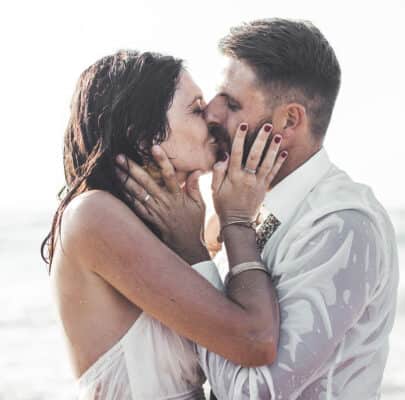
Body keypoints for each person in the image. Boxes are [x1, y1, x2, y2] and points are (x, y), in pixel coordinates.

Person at [122, 19, 399, 399]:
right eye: (217, 98)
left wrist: (193, 252)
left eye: (233, 104)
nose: (213, 115)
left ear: (289, 120)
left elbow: (254, 393)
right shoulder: (244, 209)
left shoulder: (340, 224)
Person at [42, 50, 287, 399]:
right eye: (197, 109)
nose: (213, 119)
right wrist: (233, 223)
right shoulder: (92, 216)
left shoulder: (184, 228)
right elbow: (255, 341)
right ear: (144, 134)